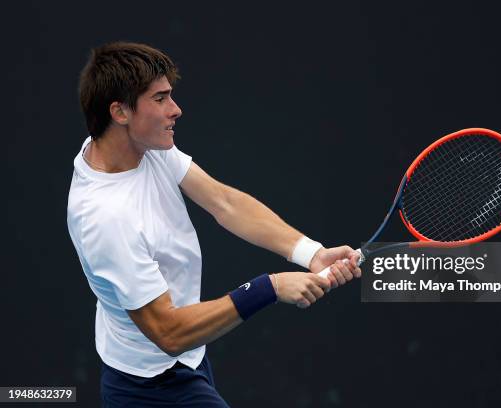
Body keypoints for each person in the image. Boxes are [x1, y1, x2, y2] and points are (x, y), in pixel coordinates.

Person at [66, 41, 361, 407]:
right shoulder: (106, 218)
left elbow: (224, 203)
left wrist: (311, 254)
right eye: (160, 99)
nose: (176, 110)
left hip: (185, 360)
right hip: (151, 388)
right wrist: (267, 288)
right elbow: (169, 332)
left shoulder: (136, 146)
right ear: (120, 111)